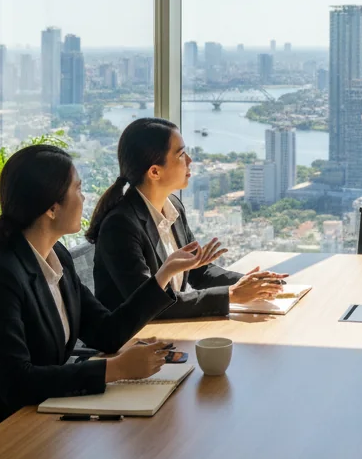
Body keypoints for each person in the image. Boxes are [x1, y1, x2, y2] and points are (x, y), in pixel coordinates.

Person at [0, 144, 210, 459]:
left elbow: (106, 333)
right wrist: (116, 370)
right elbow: (16, 384)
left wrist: (163, 275)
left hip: (42, 423)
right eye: (77, 188)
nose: (85, 197)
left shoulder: (57, 257)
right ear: (51, 207)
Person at [89, 118, 287, 318]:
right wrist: (231, 295)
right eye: (181, 154)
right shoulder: (120, 226)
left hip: (170, 332)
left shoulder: (173, 206)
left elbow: (198, 271)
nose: (190, 161)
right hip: (133, 342)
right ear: (155, 171)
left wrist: (253, 283)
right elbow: (149, 304)